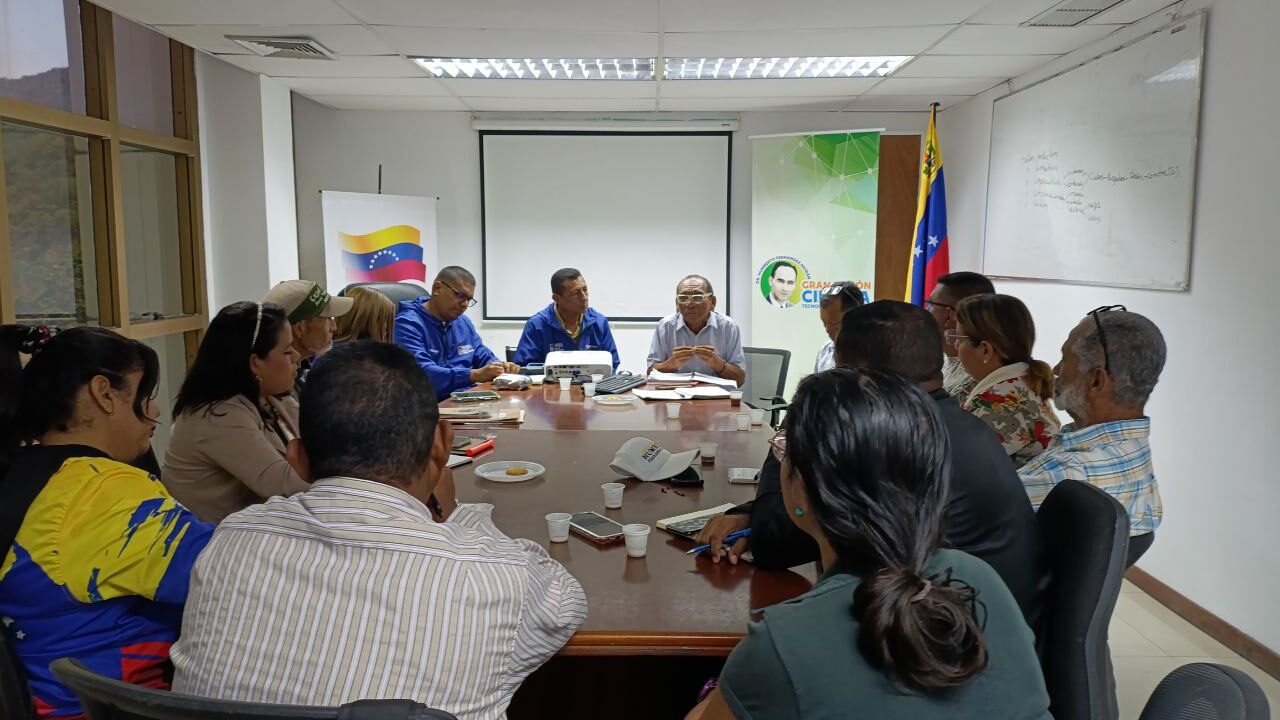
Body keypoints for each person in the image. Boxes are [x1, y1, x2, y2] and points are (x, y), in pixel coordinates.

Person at [172, 341, 586, 720]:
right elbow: (566, 604)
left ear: (297, 459)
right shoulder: (496, 575)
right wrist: (454, 514)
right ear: (441, 445)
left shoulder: (231, 541)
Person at [685, 368, 1050, 720]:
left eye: (783, 451)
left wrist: (724, 688)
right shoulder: (979, 579)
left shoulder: (780, 645)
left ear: (801, 489)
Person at [699, 301, 1046, 627]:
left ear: (855, 375)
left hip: (947, 638)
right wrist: (751, 512)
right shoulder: (954, 423)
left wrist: (792, 437)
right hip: (983, 621)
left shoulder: (893, 441)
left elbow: (775, 544)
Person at [0, 325, 213, 719]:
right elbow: (228, 574)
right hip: (118, 708)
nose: (155, 411)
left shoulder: (28, 475)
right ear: (104, 394)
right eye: (145, 394)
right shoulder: (103, 494)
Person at [1019, 306, 1166, 566]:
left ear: (1096, 380)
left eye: (1065, 360)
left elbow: (959, 517)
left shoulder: (1068, 474)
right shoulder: (1135, 454)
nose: (1055, 369)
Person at [162, 302, 309, 523]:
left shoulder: (270, 398)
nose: (297, 356)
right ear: (255, 362)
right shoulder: (216, 417)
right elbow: (287, 486)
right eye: (287, 351)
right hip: (211, 541)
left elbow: (322, 445)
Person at [951, 294, 1061, 469]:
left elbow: (954, 468)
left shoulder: (999, 401)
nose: (955, 346)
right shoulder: (1020, 384)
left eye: (959, 340)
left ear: (985, 350)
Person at [394, 266, 519, 400]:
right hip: (428, 404)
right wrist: (473, 375)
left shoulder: (463, 322)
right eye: (460, 296)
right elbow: (421, 374)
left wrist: (499, 367)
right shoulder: (407, 324)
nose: (465, 304)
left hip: (465, 400)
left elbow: (481, 354)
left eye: (469, 299)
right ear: (437, 289)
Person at [646, 275, 745, 385]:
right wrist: (670, 364)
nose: (690, 304)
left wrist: (719, 364)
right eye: (683, 298)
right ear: (677, 303)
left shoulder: (728, 327)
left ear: (712, 302)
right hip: (674, 391)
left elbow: (740, 380)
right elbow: (650, 372)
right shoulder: (665, 326)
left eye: (697, 297)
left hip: (716, 393)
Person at [514, 268, 619, 370]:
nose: (584, 297)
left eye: (585, 290)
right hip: (549, 382)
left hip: (593, 381)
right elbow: (524, 367)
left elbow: (612, 363)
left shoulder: (599, 322)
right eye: (576, 293)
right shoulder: (537, 325)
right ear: (557, 298)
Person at [263, 279, 353, 395]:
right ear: (300, 328)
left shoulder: (294, 377)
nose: (334, 327)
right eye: (327, 318)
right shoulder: (277, 389)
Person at [924, 271, 995, 398]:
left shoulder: (972, 381)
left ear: (950, 314)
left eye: (931, 303)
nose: (926, 310)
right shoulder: (937, 362)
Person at [813, 281, 865, 372]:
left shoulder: (874, 354)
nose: (827, 329)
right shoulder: (825, 351)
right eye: (824, 323)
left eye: (834, 324)